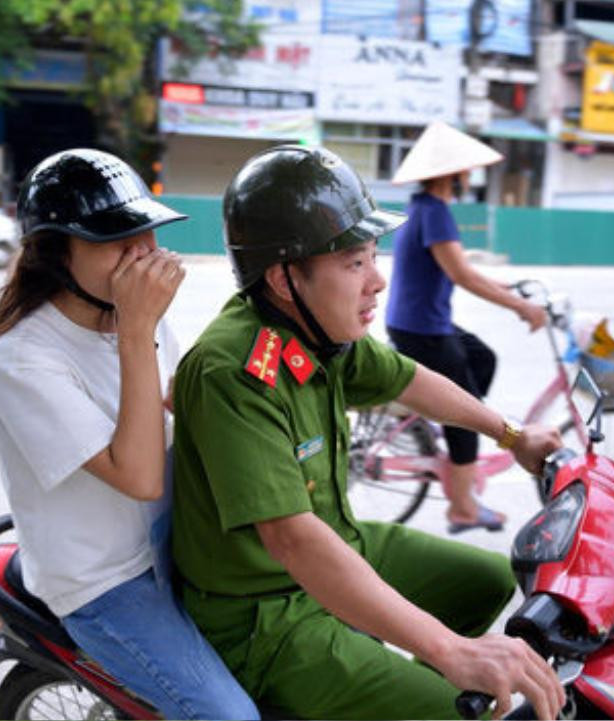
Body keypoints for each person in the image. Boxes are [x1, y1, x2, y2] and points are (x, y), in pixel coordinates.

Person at [171, 145, 565, 720]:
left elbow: (408, 380)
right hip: (265, 613)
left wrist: (511, 435)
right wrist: (448, 649)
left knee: (485, 580)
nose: (377, 281)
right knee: (459, 713)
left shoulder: (318, 334)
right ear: (284, 277)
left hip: (341, 542)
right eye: (354, 263)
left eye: (373, 256)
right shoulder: (234, 371)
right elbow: (293, 541)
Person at [0, 148, 258, 720]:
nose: (145, 252)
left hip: (173, 544)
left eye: (146, 233)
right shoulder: (22, 359)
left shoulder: (131, 319)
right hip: (103, 583)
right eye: (118, 240)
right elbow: (140, 476)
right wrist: (137, 329)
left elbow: (179, 408)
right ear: (55, 253)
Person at [386, 120, 547, 533]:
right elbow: (462, 275)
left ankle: (438, 414)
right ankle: (462, 509)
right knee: (468, 417)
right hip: (423, 329)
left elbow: (461, 268)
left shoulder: (424, 208)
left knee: (482, 357)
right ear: (451, 173)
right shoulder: (435, 213)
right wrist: (520, 307)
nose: (470, 176)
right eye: (465, 169)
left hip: (419, 323)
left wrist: (508, 287)